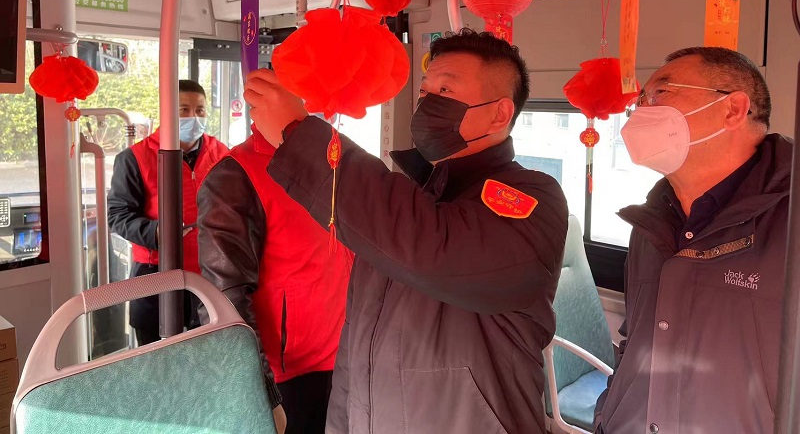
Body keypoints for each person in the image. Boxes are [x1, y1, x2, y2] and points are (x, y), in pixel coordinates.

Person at [243, 29, 569, 434]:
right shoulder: (409, 202)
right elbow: (357, 346)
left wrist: (298, 135)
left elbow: (435, 248)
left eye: (445, 90)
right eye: (424, 91)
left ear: (499, 114)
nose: (427, 101)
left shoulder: (532, 198)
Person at [594, 47, 791, 434]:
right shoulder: (651, 223)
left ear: (732, 109)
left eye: (660, 93)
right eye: (640, 100)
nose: (640, 111)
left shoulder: (791, 220)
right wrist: (607, 411)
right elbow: (636, 339)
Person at [196, 123, 353, 434]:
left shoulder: (338, 157)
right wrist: (260, 391)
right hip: (289, 376)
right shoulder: (235, 175)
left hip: (348, 357)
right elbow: (223, 299)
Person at [108, 79, 228, 346]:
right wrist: (157, 233)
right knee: (156, 356)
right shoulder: (134, 158)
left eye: (200, 110)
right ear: (167, 111)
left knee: (206, 352)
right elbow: (118, 215)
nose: (193, 117)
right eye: (184, 110)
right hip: (154, 271)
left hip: (210, 270)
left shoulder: (222, 154)